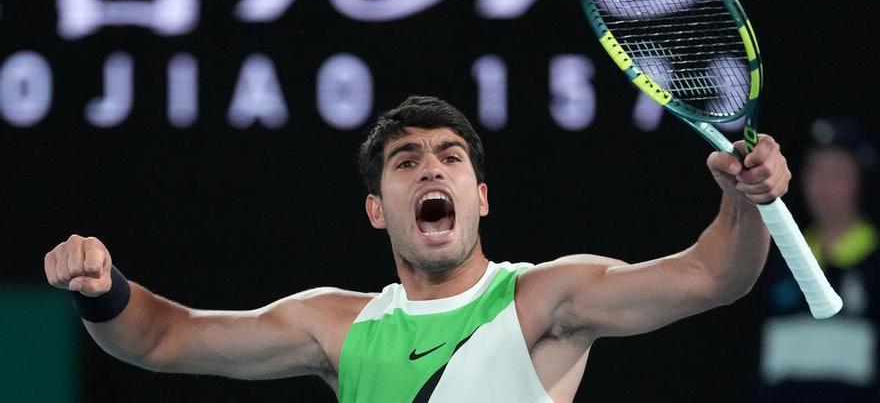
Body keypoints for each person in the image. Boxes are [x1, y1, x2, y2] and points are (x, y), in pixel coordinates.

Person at [45, 96, 790, 402]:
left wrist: (746, 198)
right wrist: (102, 289)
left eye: (449, 157)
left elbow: (714, 274)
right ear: (378, 209)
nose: (431, 169)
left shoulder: (546, 299)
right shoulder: (337, 326)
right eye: (406, 162)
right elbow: (162, 338)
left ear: (480, 197)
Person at [754, 117, 880, 402]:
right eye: (815, 170)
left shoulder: (874, 265)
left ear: (861, 178)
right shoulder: (771, 260)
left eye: (837, 172)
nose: (824, 185)